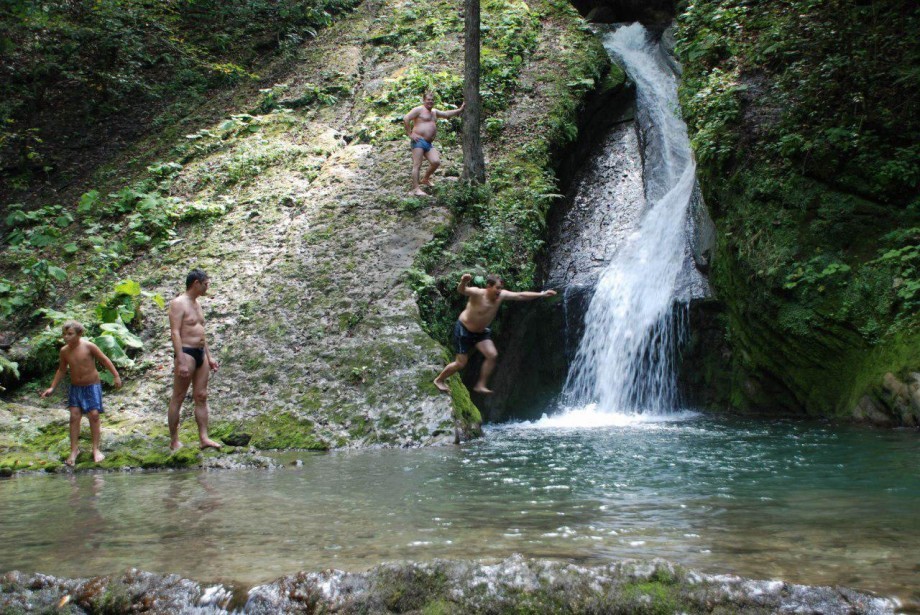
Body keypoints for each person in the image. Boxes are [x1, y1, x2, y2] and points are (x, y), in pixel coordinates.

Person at [434, 273, 557, 395]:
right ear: (489, 286)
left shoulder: (501, 296)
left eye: (501, 288)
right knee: (460, 363)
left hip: (480, 333)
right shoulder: (478, 293)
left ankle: (481, 385)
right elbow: (462, 290)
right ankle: (439, 380)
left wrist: (542, 294)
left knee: (492, 355)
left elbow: (520, 295)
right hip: (464, 330)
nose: (499, 291)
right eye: (497, 288)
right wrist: (463, 281)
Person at [40, 320, 122, 466]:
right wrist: (52, 387)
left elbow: (104, 360)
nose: (66, 337)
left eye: (70, 334)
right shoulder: (64, 351)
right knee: (74, 417)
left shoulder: (89, 346)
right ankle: (74, 450)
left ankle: (96, 449)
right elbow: (62, 369)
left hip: (92, 386)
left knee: (94, 415)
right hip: (76, 387)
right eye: (64, 334)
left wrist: (115, 375)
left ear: (79, 334)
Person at [168, 269, 221, 450]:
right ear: (196, 283)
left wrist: (209, 356)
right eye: (206, 283)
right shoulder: (178, 303)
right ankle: (174, 440)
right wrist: (181, 360)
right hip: (186, 352)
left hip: (200, 352)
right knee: (179, 397)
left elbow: (201, 331)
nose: (208, 287)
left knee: (201, 395)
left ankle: (204, 438)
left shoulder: (197, 304)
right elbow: (175, 332)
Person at [404, 91, 465, 196]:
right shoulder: (419, 110)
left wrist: (460, 110)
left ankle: (425, 179)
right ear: (424, 100)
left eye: (432, 100)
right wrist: (410, 134)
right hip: (418, 141)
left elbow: (446, 114)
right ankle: (416, 189)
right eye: (428, 99)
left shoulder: (434, 112)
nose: (430, 101)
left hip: (428, 143)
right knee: (417, 165)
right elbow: (406, 118)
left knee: (436, 162)